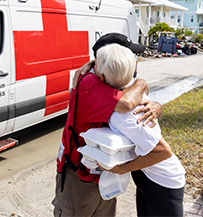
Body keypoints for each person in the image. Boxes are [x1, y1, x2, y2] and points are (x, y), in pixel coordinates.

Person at [52, 33, 163, 217]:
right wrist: (142, 83)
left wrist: (156, 106)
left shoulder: (113, 80)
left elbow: (138, 101)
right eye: (128, 55)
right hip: (80, 176)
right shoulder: (90, 82)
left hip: (103, 173)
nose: (133, 62)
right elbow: (127, 103)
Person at [95, 43, 185, 217]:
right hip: (148, 178)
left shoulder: (123, 114)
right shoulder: (132, 91)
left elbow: (163, 152)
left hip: (164, 182)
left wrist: (123, 168)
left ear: (101, 76)